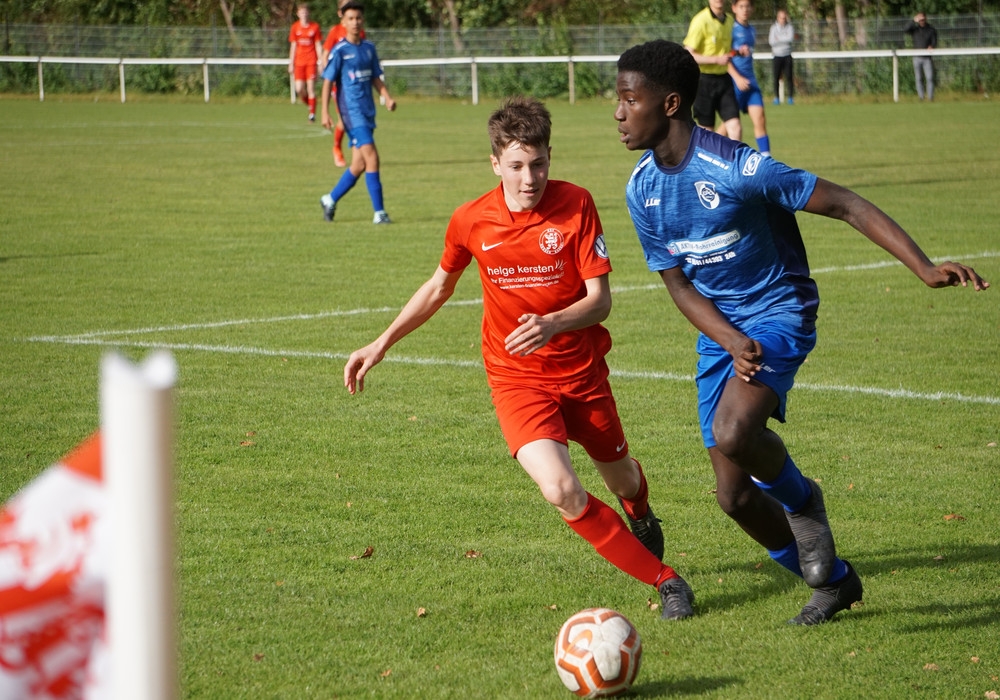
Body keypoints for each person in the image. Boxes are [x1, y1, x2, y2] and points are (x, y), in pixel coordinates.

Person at [613, 40, 989, 625]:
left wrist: (923, 267)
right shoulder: (641, 189)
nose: (618, 113)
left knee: (734, 431)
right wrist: (728, 339)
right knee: (734, 497)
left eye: (628, 99)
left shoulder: (737, 167)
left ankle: (802, 498)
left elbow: (843, 204)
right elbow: (679, 286)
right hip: (723, 332)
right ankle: (834, 583)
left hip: (779, 309)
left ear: (669, 104)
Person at [343, 96, 696, 620]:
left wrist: (552, 323)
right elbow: (439, 286)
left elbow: (600, 301)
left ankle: (639, 512)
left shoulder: (576, 204)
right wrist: (381, 343)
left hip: (581, 374)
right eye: (516, 166)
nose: (529, 178)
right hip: (517, 380)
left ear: (550, 157)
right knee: (561, 488)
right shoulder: (471, 220)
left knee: (622, 479)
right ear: (495, 164)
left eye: (538, 164)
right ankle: (667, 582)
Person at [319, 1, 396, 225]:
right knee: (372, 157)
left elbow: (375, 77)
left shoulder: (368, 48)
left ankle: (330, 199)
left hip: (367, 111)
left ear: (363, 21)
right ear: (343, 22)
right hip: (351, 113)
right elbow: (327, 82)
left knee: (359, 165)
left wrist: (387, 96)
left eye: (358, 18)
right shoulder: (340, 51)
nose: (355, 22)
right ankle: (379, 213)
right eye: (350, 18)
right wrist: (324, 112)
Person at [683, 0, 747, 141]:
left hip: (724, 79)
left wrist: (738, 52)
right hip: (704, 81)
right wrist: (715, 60)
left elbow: (726, 52)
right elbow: (689, 53)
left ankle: (734, 156)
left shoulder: (729, 20)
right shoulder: (701, 20)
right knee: (707, 132)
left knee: (735, 126)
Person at [322, 0, 367, 166]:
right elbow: (326, 55)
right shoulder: (335, 31)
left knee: (357, 120)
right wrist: (329, 74)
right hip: (341, 87)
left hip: (358, 88)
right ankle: (337, 148)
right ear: (340, 13)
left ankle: (358, 154)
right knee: (343, 119)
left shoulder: (360, 32)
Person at [730, 0, 771, 156]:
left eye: (747, 6)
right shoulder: (730, 29)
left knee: (760, 119)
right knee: (729, 125)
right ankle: (708, 151)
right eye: (741, 6)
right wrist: (737, 77)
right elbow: (724, 56)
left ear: (752, 8)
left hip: (750, 81)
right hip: (735, 82)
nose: (745, 10)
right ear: (734, 8)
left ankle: (767, 159)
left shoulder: (752, 30)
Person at [288, 3, 324, 122]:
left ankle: (312, 115)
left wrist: (320, 62)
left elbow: (318, 45)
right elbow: (293, 46)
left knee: (310, 88)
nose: (304, 14)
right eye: (301, 12)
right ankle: (311, 105)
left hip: (311, 62)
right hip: (299, 62)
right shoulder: (295, 27)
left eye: (305, 12)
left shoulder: (315, 27)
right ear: (298, 14)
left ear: (309, 13)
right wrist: (291, 63)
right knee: (299, 89)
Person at [905, 13, 938, 101]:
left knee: (929, 78)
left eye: (923, 19)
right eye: (920, 20)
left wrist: (932, 46)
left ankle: (930, 97)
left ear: (925, 19)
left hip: (927, 58)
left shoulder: (931, 29)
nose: (921, 21)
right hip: (917, 57)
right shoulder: (915, 29)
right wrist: (913, 21)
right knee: (918, 78)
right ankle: (921, 97)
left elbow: (934, 41)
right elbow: (906, 29)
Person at [768, 9, 795, 105]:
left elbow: (790, 39)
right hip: (777, 56)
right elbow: (771, 42)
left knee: (789, 77)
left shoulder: (790, 27)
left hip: (787, 55)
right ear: (778, 18)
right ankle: (776, 98)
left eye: (784, 18)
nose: (783, 20)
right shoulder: (773, 28)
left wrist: (778, 39)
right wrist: (784, 39)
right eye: (781, 18)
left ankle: (790, 98)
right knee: (776, 77)